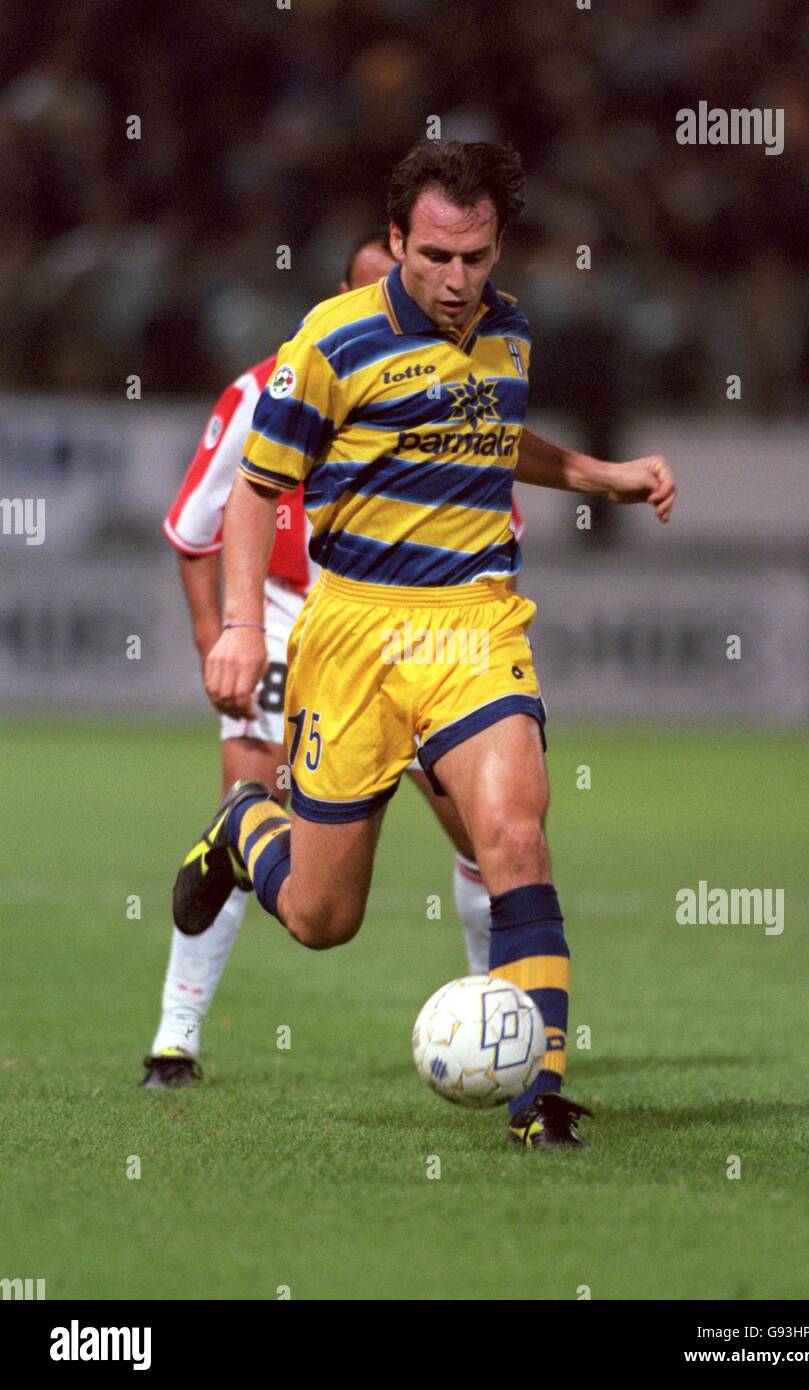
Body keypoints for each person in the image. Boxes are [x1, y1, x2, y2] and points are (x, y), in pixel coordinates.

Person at [172, 141, 676, 1148]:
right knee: (322, 918)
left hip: (472, 623)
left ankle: (541, 1094)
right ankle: (242, 827)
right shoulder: (330, 342)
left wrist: (599, 473)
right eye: (436, 256)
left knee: (513, 836)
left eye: (476, 258)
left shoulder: (509, 331)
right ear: (396, 238)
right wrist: (236, 624)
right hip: (352, 631)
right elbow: (256, 489)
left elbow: (492, 434)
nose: (456, 281)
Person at [142, 229, 524, 1088]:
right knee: (253, 792)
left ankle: (501, 1014)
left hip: (420, 627)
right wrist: (222, 634)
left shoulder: (453, 380)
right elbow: (193, 528)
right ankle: (175, 1039)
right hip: (289, 619)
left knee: (478, 824)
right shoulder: (271, 386)